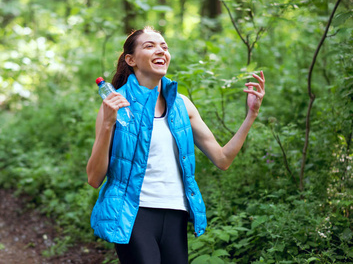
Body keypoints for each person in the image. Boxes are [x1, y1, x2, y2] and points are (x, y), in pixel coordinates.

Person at [86, 27, 265, 264]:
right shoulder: (114, 105)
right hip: (133, 214)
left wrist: (251, 115)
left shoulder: (182, 105)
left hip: (175, 212)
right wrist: (108, 124)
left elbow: (223, 159)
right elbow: (94, 178)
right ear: (131, 60)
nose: (160, 50)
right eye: (149, 46)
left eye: (164, 46)